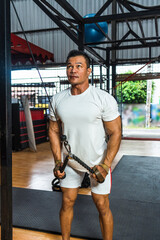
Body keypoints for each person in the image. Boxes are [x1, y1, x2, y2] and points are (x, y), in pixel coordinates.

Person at [49, 50, 121, 240]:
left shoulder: (103, 98)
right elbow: (54, 131)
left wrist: (106, 165)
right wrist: (58, 161)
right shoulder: (58, 99)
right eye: (69, 66)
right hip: (70, 163)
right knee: (67, 202)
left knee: (102, 204)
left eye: (79, 66)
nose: (73, 70)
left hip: (96, 162)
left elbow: (115, 133)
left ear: (88, 71)